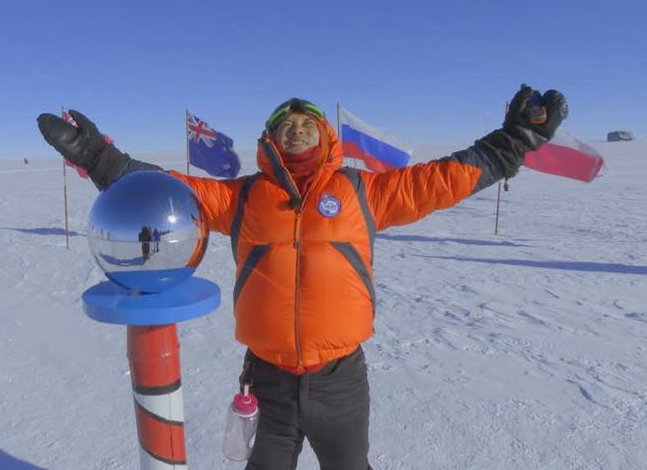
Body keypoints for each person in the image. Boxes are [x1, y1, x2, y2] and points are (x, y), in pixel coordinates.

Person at [37, 84, 566, 470]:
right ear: (271, 138)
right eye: (286, 124)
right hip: (267, 378)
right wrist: (99, 160)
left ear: (324, 133)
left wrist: (511, 141)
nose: (297, 128)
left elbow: (440, 181)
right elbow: (167, 188)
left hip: (340, 379)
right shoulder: (242, 197)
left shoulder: (363, 193)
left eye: (307, 121)